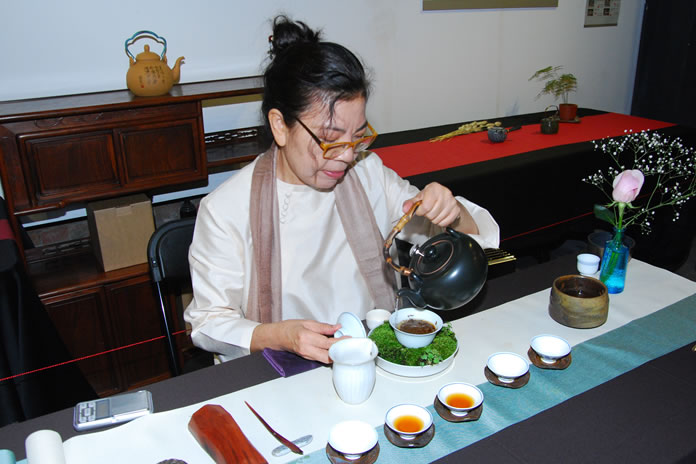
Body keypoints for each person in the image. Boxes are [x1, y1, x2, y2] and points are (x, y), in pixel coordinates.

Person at [184, 16, 499, 364]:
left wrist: (450, 210)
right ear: (280, 126)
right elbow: (208, 322)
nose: (347, 156)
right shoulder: (227, 208)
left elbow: (459, 240)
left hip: (375, 355)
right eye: (331, 139)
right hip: (283, 370)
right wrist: (280, 336)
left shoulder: (367, 174)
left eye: (358, 136)